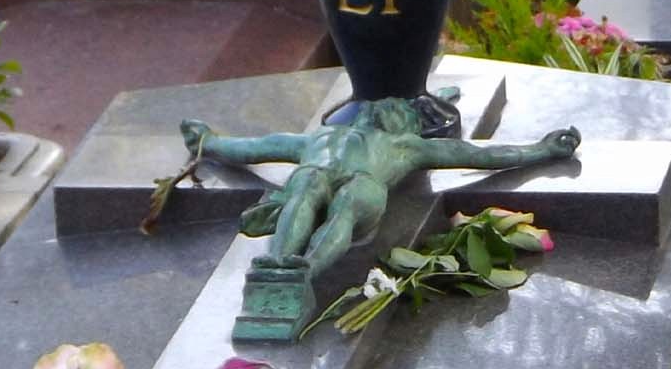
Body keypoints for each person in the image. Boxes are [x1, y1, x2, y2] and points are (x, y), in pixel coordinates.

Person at [180, 97, 580, 277]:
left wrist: (540, 149)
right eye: (381, 105)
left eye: (398, 108)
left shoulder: (407, 146)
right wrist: (208, 143)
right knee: (306, 185)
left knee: (349, 204)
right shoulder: (317, 139)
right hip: (315, 172)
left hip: (365, 185)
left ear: (405, 123)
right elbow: (257, 148)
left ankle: (305, 270)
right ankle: (277, 262)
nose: (385, 108)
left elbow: (480, 155)